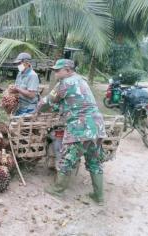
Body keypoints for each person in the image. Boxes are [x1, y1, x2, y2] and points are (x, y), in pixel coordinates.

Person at [37, 59, 106, 204]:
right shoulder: (81, 81)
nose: (55, 72)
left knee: (67, 159)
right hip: (97, 126)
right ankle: (99, 197)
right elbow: (70, 103)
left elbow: (48, 102)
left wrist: (37, 108)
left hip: (80, 128)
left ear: (68, 70)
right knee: (94, 161)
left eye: (58, 70)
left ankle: (57, 190)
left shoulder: (65, 83)